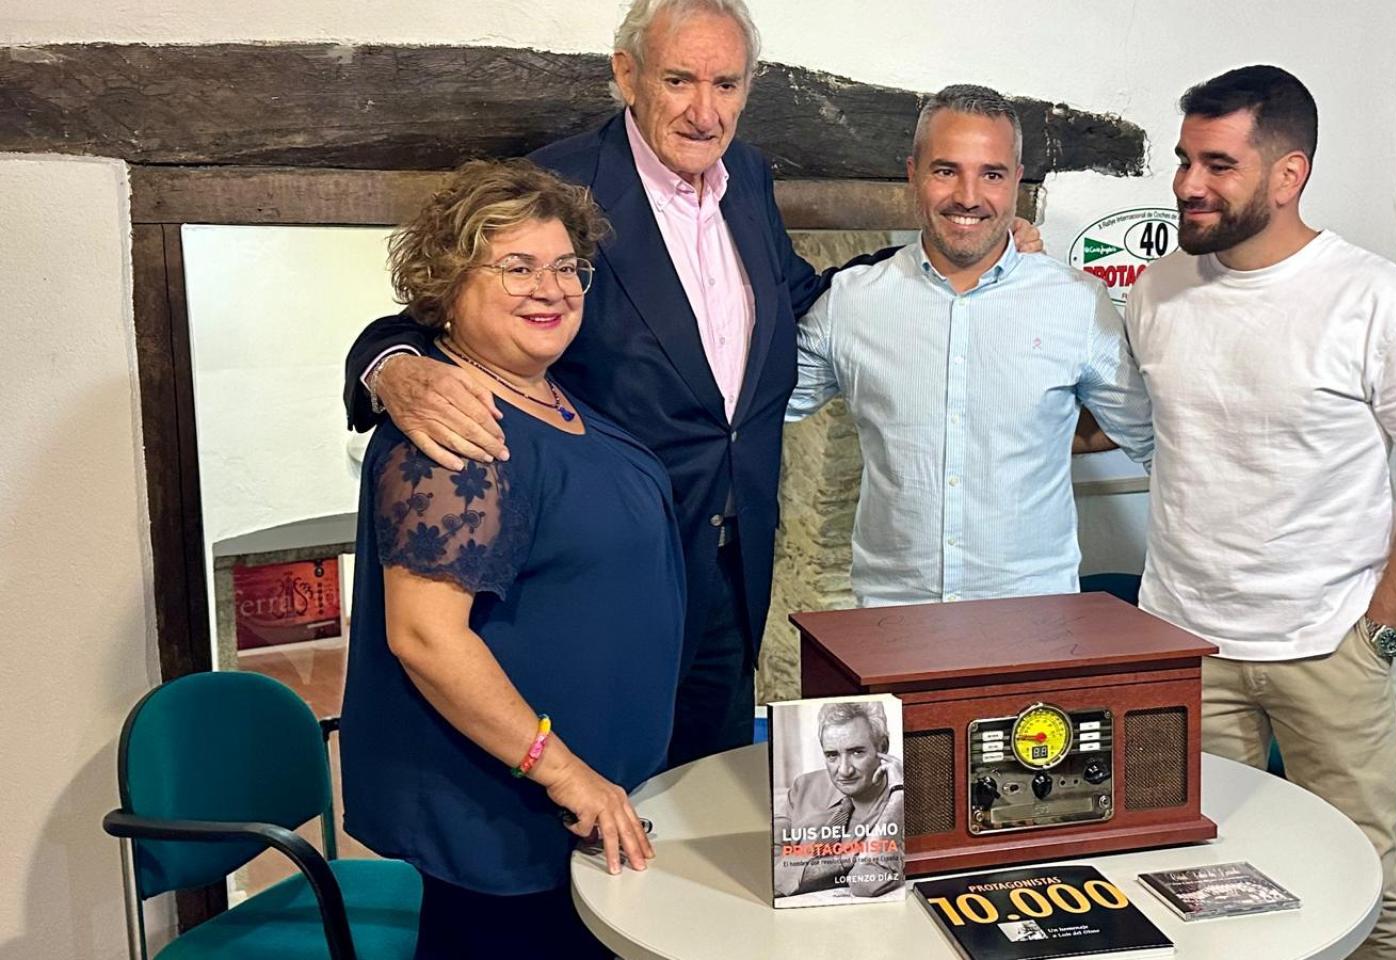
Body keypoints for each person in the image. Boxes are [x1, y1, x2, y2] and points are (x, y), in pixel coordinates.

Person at [339, 0, 1041, 768]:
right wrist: (391, 366)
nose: (705, 112)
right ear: (627, 74)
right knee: (600, 790)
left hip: (733, 566)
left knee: (712, 789)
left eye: (726, 85)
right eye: (679, 80)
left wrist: (944, 258)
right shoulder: (561, 180)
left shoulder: (747, 177)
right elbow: (438, 311)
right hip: (606, 568)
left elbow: (797, 297)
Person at [1085, 65, 1396, 960]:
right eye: (1184, 159)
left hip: (1330, 649)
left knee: (1367, 897)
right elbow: (1136, 424)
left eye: (1218, 165)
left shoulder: (1383, 302)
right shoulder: (1159, 288)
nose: (1189, 184)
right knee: (1191, 886)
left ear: (1287, 175)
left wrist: (1379, 637)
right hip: (1187, 644)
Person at [339, 159, 684, 958]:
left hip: (590, 807)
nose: (551, 289)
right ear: (448, 284)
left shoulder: (555, 394)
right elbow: (425, 637)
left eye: (566, 267)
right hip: (505, 812)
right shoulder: (452, 425)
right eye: (518, 267)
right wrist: (562, 772)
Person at [786, 85, 1152, 606]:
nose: (968, 196)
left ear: (1017, 181)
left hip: (1035, 617)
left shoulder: (1076, 303)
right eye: (945, 170)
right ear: (913, 174)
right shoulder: (851, 302)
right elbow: (755, 413)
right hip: (892, 618)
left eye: (992, 174)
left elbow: (1153, 438)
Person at [773, 700, 905, 898]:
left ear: (883, 747)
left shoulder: (896, 809)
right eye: (832, 755)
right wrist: (844, 860)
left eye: (857, 752)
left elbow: (865, 883)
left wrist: (899, 794)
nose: (844, 770)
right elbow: (768, 871)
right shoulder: (804, 787)